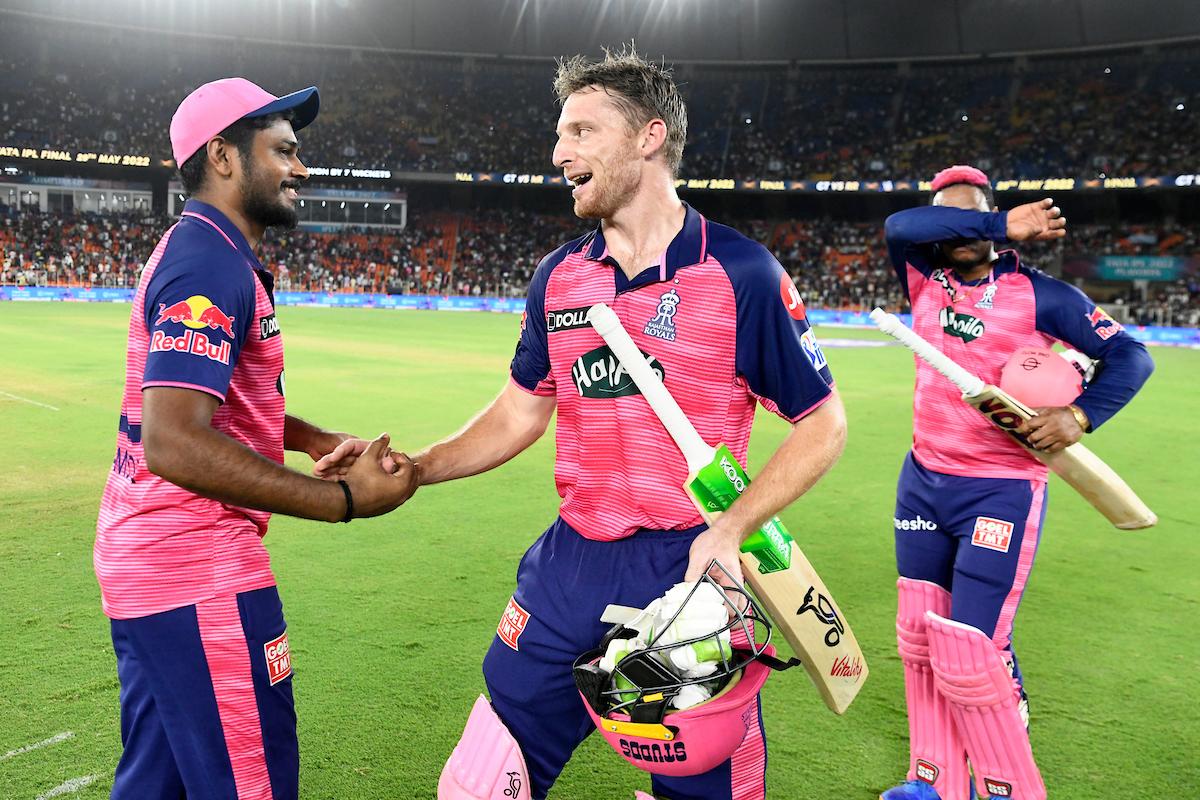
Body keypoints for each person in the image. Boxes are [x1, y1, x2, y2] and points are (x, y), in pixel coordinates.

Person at [320, 48, 846, 800]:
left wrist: (731, 531)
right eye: (560, 134)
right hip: (569, 564)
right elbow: (518, 411)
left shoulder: (741, 275)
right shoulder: (559, 277)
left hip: (687, 569)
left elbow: (822, 424)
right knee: (483, 778)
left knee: (706, 786)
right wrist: (421, 466)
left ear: (648, 137)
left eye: (581, 131)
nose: (560, 153)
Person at [95, 78, 418, 800]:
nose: (301, 169)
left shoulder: (211, 253)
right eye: (284, 151)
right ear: (224, 157)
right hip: (195, 569)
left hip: (150, 562)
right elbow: (174, 441)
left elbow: (217, 400)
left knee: (159, 784)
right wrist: (342, 498)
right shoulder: (207, 264)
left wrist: (305, 436)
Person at [878, 165, 1154, 800]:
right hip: (922, 481)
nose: (962, 230)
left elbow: (1132, 355)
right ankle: (933, 780)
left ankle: (1002, 782)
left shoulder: (1044, 296)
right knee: (920, 639)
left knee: (975, 647)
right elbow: (901, 225)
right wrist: (999, 222)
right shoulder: (921, 276)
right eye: (953, 218)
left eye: (975, 213)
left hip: (1000, 488)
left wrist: (1079, 415)